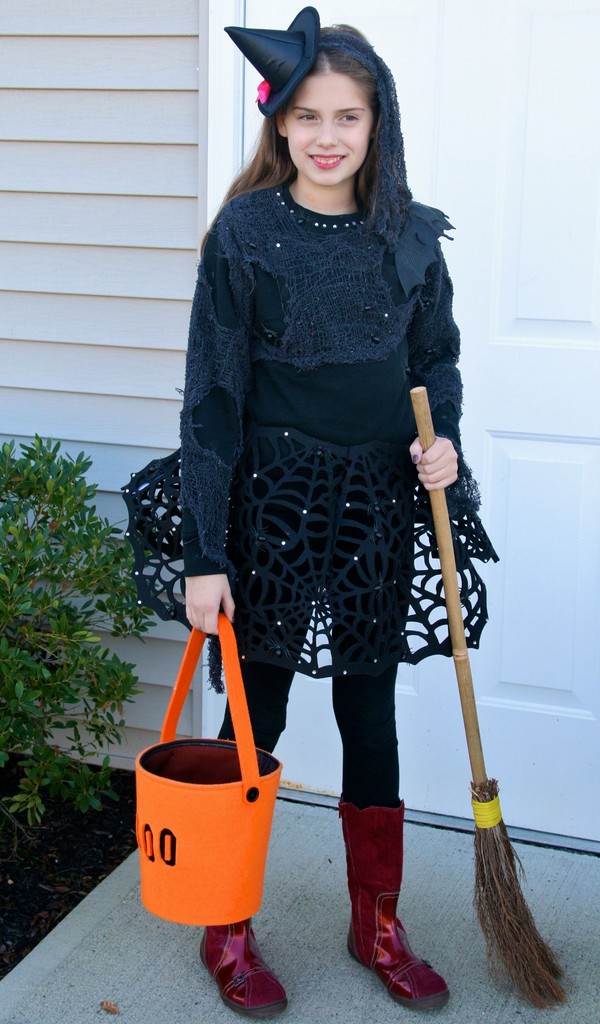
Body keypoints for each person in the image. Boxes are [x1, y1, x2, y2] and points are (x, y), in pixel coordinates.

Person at [179, 7, 496, 1017]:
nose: (327, 136)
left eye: (348, 117)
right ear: (278, 123)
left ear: (377, 124)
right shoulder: (245, 235)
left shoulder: (406, 237)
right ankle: (226, 922)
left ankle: (378, 921)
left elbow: (435, 361)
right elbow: (214, 398)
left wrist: (438, 437)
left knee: (370, 708)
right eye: (308, 116)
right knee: (256, 712)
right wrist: (203, 550)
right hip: (267, 507)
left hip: (374, 506)